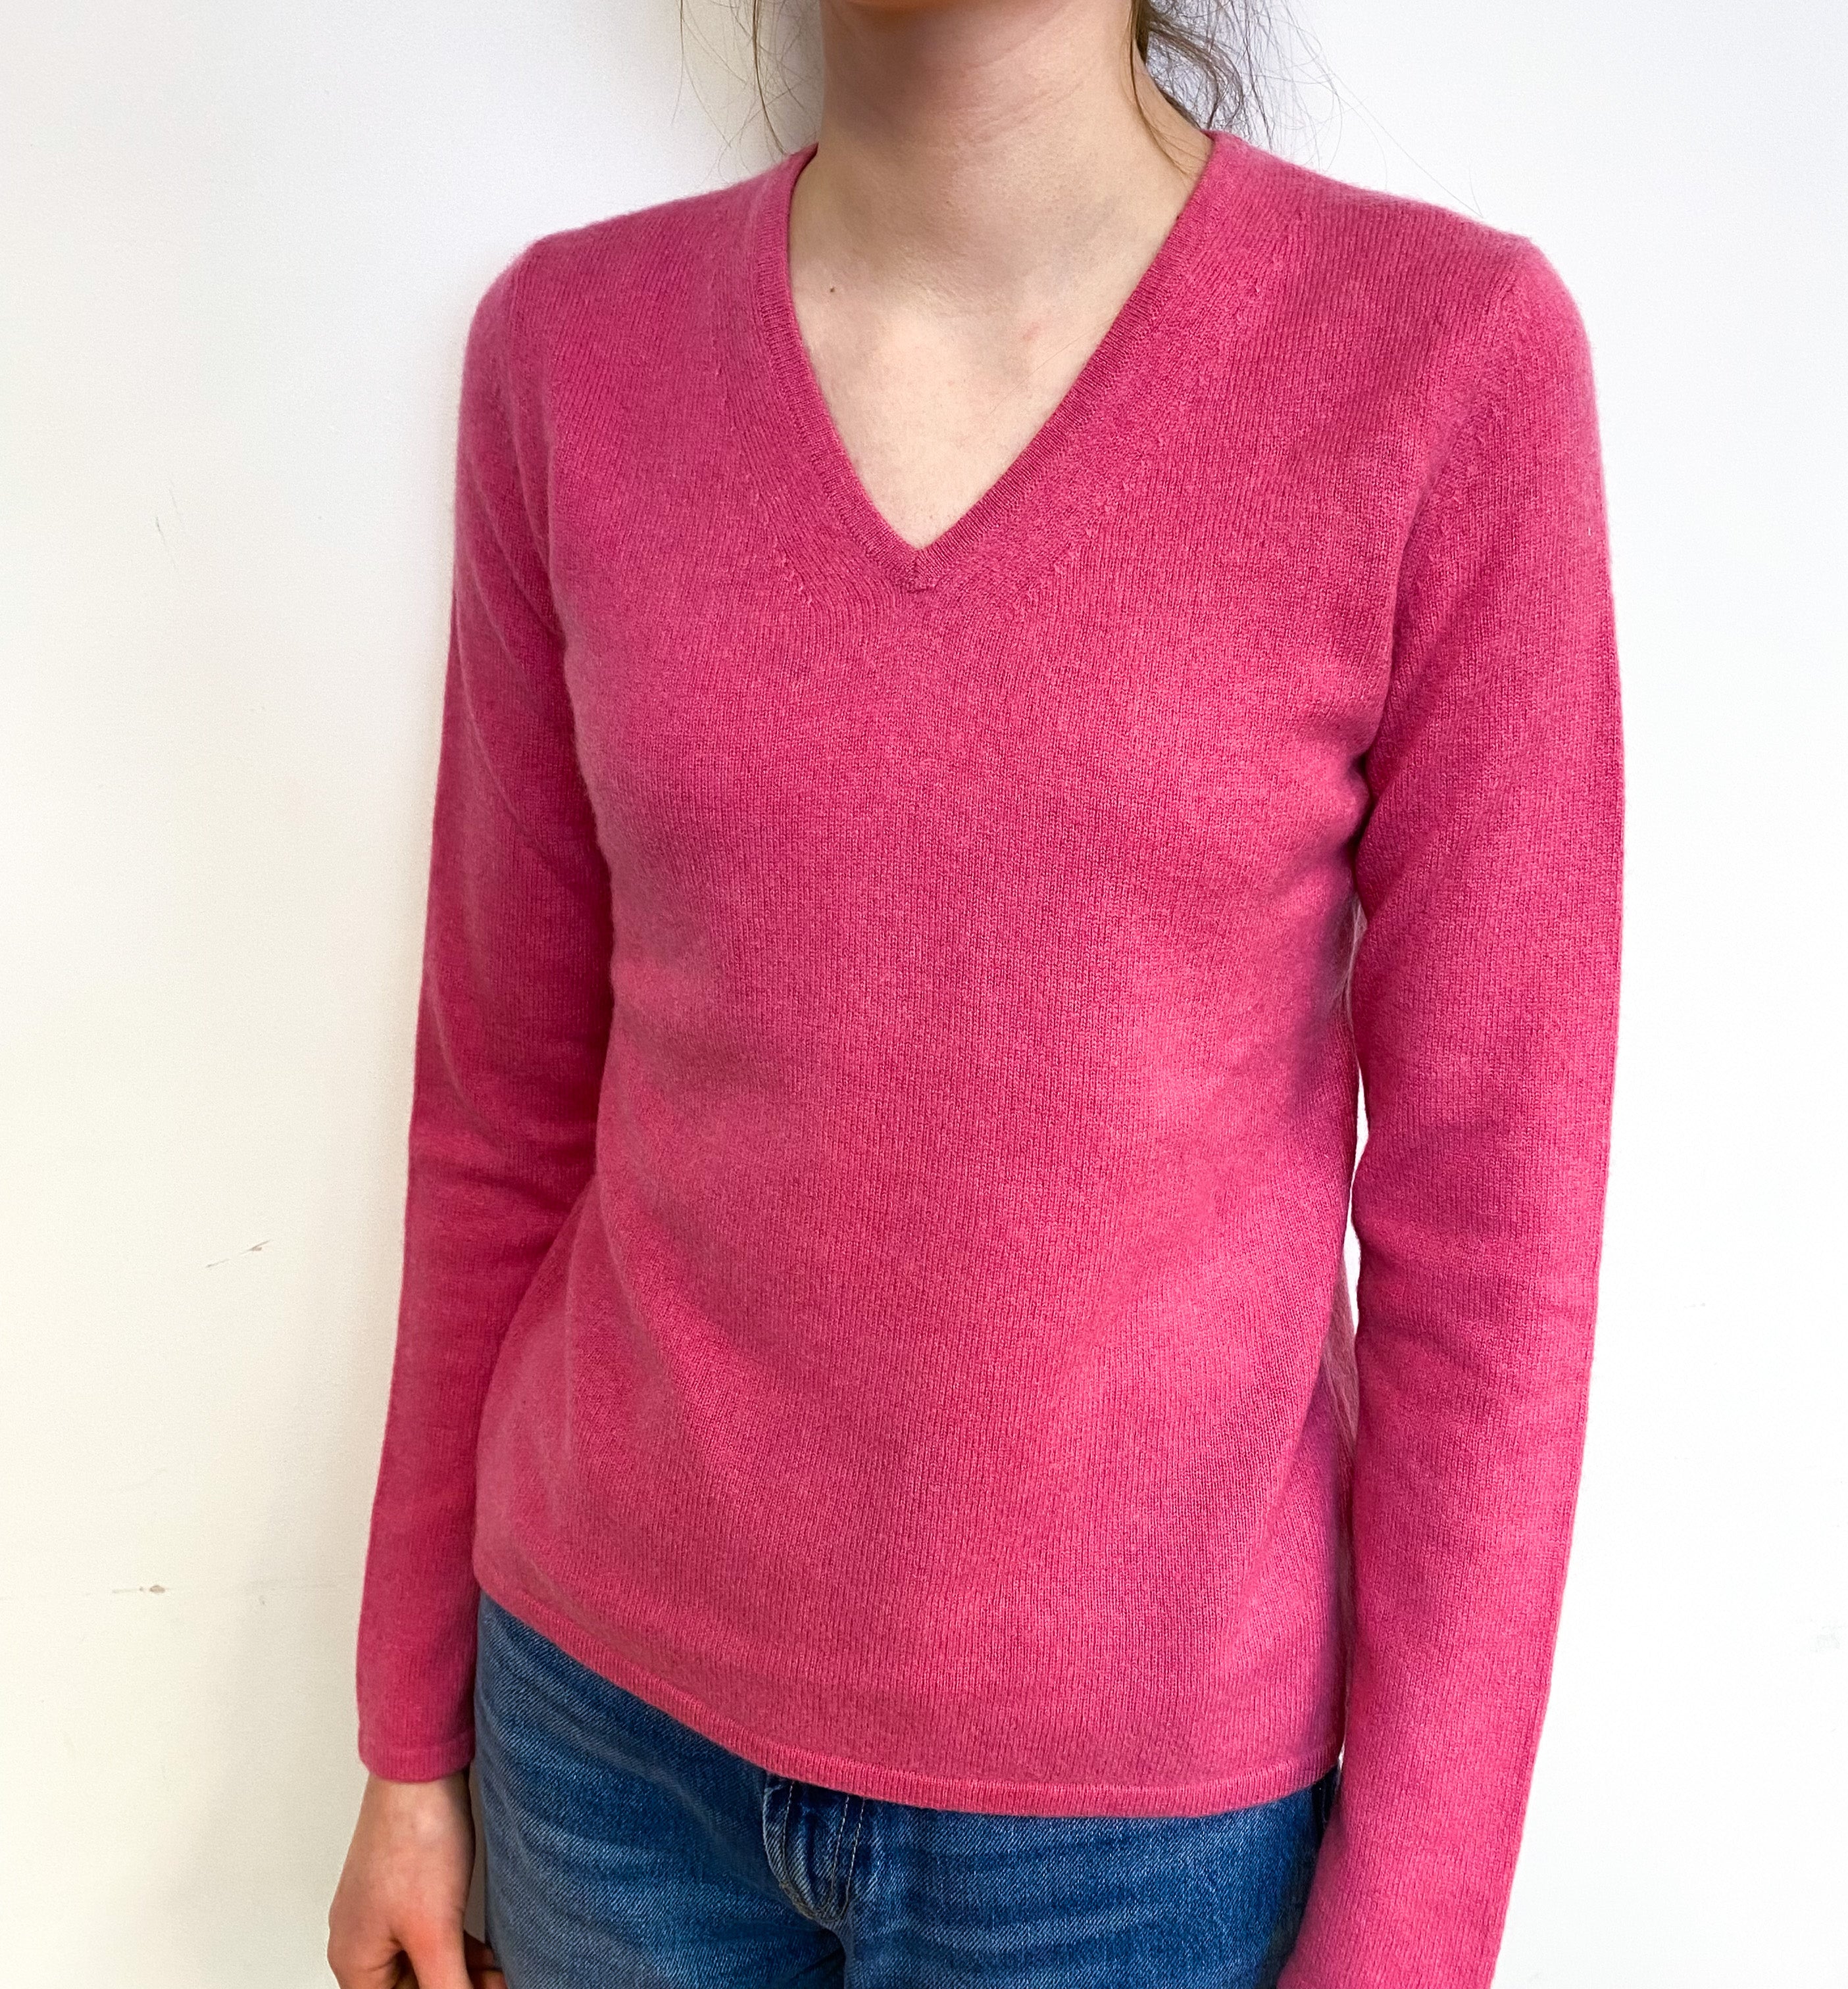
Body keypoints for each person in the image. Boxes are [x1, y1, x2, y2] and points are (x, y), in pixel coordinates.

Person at [326, 0, 1624, 1979]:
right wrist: (409, 1744)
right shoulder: (566, 355)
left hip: (1137, 1847)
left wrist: (1409, 1940)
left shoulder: (1441, 366)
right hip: (599, 1742)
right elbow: (498, 1103)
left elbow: (1494, 1230)